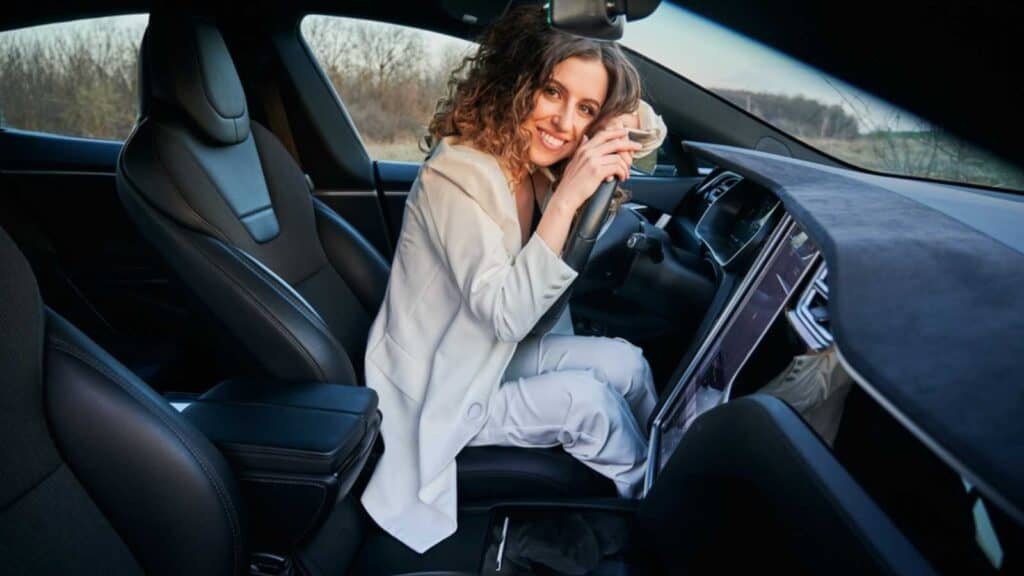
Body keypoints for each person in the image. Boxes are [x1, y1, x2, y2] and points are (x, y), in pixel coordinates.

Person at [360, 5, 666, 553]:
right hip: (437, 384)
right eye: (552, 92)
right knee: (588, 405)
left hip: (486, 357)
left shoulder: (530, 164)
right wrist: (569, 197)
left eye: (585, 109)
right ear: (516, 85)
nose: (564, 123)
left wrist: (612, 120)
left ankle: (671, 463)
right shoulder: (457, 173)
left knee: (627, 363)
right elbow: (506, 313)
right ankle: (659, 514)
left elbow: (650, 130)